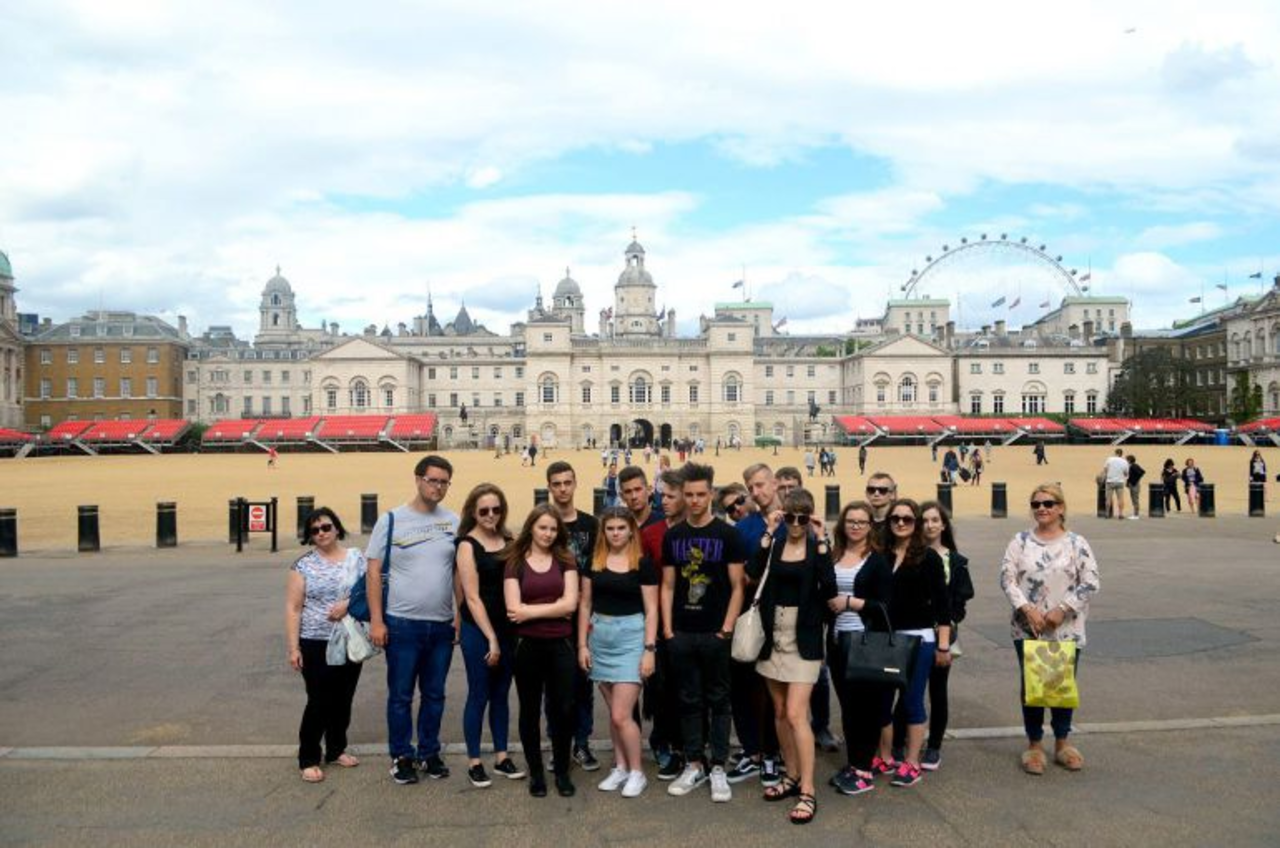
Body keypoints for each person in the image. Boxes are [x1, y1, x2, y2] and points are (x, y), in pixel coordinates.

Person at [366, 456, 459, 786]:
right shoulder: (391, 520)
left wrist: (460, 615)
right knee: (401, 695)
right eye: (433, 480)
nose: (438, 487)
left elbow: (459, 572)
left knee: (435, 694)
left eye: (444, 482)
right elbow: (373, 572)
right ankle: (402, 755)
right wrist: (377, 620)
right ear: (418, 479)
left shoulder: (453, 521)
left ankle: (429, 752)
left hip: (442, 623)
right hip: (402, 622)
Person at [1000, 483, 1100, 775]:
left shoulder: (1077, 543)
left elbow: (1091, 581)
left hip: (1065, 627)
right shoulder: (1020, 541)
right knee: (1033, 684)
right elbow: (1007, 578)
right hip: (1028, 627)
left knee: (1061, 683)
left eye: (1048, 503)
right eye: (1036, 504)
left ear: (1061, 508)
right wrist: (1027, 608)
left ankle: (1062, 742)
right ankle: (1034, 743)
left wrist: (1063, 609)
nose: (1042, 508)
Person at [749, 490, 836, 825]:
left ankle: (808, 790)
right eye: (790, 517)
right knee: (781, 712)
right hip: (774, 633)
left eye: (802, 518)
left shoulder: (817, 548)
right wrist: (768, 532)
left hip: (805, 637)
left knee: (798, 714)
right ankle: (791, 774)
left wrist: (823, 539)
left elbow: (829, 589)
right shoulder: (775, 543)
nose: (796, 524)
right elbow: (752, 570)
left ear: (810, 517)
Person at [662, 462, 747, 802]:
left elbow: (737, 586)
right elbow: (668, 586)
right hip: (682, 631)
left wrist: (726, 629)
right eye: (689, 495)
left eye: (700, 494)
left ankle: (718, 766)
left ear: (711, 493)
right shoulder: (673, 535)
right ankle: (694, 762)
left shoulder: (728, 535)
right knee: (688, 700)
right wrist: (668, 630)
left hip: (715, 632)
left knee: (719, 701)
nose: (694, 500)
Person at [578, 507, 659, 798]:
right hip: (600, 638)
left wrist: (649, 649)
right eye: (610, 528)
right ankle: (621, 767)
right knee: (614, 715)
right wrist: (582, 645)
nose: (615, 533)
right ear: (604, 532)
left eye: (621, 528)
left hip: (631, 640)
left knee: (621, 714)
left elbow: (652, 610)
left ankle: (637, 772)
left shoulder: (643, 563)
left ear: (630, 531)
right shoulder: (594, 561)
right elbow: (585, 605)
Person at [504, 504, 581, 798]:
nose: (547, 534)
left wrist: (530, 611)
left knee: (564, 709)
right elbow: (514, 610)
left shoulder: (565, 560)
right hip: (527, 647)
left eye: (552, 529)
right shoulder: (516, 561)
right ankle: (536, 772)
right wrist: (553, 608)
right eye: (542, 527)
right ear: (531, 528)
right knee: (529, 710)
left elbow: (571, 604)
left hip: (561, 645)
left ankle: (562, 771)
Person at [286, 507, 366, 783]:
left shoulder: (357, 559)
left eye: (326, 527)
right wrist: (294, 648)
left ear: (337, 528)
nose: (321, 533)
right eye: (315, 530)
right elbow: (293, 608)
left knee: (343, 698)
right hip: (314, 640)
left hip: (349, 637)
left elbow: (369, 591)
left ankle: (335, 749)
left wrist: (347, 604)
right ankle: (308, 757)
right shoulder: (303, 565)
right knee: (319, 700)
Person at [876, 498, 950, 789]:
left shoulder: (928, 558)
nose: (901, 523)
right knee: (883, 701)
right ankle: (885, 756)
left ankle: (912, 761)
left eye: (907, 519)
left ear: (916, 523)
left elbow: (943, 605)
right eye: (895, 518)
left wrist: (943, 646)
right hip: (887, 638)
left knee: (911, 701)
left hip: (919, 638)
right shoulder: (881, 555)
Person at [454, 484, 525, 788]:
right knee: (479, 693)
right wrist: (491, 638)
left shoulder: (509, 541)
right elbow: (471, 597)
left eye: (496, 509)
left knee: (501, 694)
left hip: (507, 629)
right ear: (473, 512)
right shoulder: (467, 545)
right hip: (478, 629)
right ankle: (474, 761)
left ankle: (501, 756)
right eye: (484, 510)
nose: (490, 515)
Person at [827, 501, 893, 799]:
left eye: (861, 522)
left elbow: (886, 606)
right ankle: (854, 764)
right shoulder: (835, 555)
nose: (855, 526)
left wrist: (850, 603)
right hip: (837, 641)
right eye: (850, 521)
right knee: (848, 707)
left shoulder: (877, 561)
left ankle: (864, 769)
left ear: (869, 527)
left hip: (863, 642)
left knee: (865, 708)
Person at [901, 501, 973, 771]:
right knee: (908, 690)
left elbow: (960, 602)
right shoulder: (908, 555)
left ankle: (933, 746)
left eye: (935, 520)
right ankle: (903, 742)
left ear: (943, 525)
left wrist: (947, 626)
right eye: (925, 520)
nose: (929, 525)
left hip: (942, 634)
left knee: (937, 691)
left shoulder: (956, 561)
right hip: (914, 633)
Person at [729, 464, 785, 786]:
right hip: (752, 614)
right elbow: (741, 577)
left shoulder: (794, 521)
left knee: (777, 688)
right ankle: (753, 751)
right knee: (747, 686)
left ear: (775, 483)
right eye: (750, 487)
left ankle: (773, 752)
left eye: (761, 484)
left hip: (785, 615)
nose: (756, 492)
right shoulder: (744, 528)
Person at [545, 461, 600, 771]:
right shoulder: (543, 522)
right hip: (550, 614)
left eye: (567, 482)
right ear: (549, 487)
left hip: (584, 613)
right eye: (557, 483)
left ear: (575, 483)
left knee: (583, 683)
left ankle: (581, 742)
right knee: (553, 688)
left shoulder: (591, 525)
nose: (563, 489)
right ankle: (558, 745)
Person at [642, 468, 687, 781]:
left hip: (691, 617)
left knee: (689, 687)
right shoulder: (651, 534)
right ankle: (662, 741)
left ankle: (688, 745)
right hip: (659, 618)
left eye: (671, 496)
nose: (663, 501)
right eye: (662, 496)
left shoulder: (697, 530)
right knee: (661, 686)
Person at [864, 473, 897, 547]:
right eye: (871, 490)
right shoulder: (862, 522)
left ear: (892, 494)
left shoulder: (899, 522)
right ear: (866, 493)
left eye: (882, 490)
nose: (876, 494)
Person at [1101, 448, 1129, 521]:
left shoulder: (1109, 459)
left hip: (1110, 481)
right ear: (1121, 454)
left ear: (1115, 453)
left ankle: (1107, 514)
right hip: (1120, 482)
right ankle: (1120, 514)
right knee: (1120, 499)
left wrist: (1104, 477)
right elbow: (1126, 473)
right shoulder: (1124, 461)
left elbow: (1105, 470)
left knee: (1108, 498)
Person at [1126, 455, 1145, 520]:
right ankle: (1135, 514)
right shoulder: (1133, 466)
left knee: (1135, 499)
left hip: (1134, 485)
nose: (1126, 461)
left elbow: (1141, 472)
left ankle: (1136, 515)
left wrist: (1134, 481)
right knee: (1134, 499)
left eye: (1127, 460)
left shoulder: (1133, 466)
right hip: (1134, 485)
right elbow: (1142, 472)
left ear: (1129, 460)